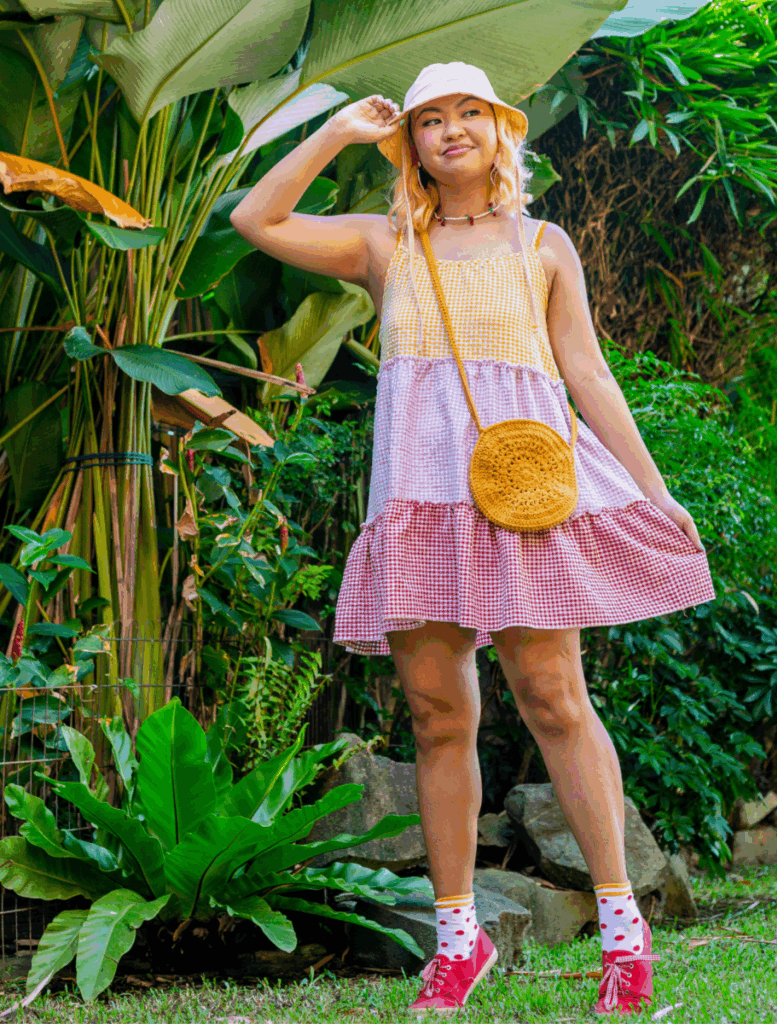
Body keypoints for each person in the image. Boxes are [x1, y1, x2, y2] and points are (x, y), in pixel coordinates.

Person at [230, 61, 715, 1016]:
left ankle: (623, 933)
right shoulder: (383, 242)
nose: (450, 130)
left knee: (553, 697)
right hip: (419, 496)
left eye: (469, 114)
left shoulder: (542, 244)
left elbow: (589, 374)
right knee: (435, 714)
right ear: (409, 143)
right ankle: (459, 941)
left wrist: (655, 492)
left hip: (522, 498)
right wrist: (337, 131)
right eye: (428, 120)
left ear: (500, 131)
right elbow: (257, 218)